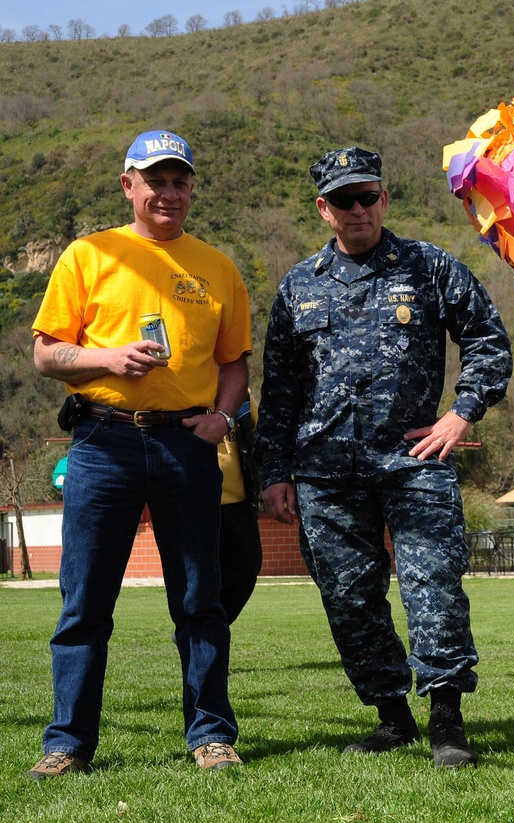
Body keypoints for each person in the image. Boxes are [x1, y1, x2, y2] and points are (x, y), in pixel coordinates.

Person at [256, 146, 513, 769]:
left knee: (433, 586)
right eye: (343, 200)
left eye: (367, 195)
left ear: (384, 199)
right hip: (324, 471)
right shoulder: (298, 287)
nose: (357, 209)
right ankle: (391, 718)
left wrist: (463, 411)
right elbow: (281, 388)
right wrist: (272, 472)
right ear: (324, 209)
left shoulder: (428, 267)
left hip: (413, 459)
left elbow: (487, 337)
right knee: (347, 596)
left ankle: (446, 721)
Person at [28, 130, 251, 778]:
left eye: (180, 181)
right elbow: (46, 353)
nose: (170, 193)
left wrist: (223, 417)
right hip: (103, 442)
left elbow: (234, 363)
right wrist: (105, 357)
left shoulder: (217, 267)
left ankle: (211, 734)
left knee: (200, 599)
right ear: (129, 185)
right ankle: (67, 742)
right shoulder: (88, 255)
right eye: (156, 181)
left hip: (187, 443)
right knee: (85, 601)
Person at [217, 392, 263, 623]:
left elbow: (260, 434)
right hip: (197, 506)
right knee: (201, 580)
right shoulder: (184, 391)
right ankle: (199, 631)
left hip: (240, 504)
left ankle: (211, 625)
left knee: (246, 572)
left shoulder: (241, 396)